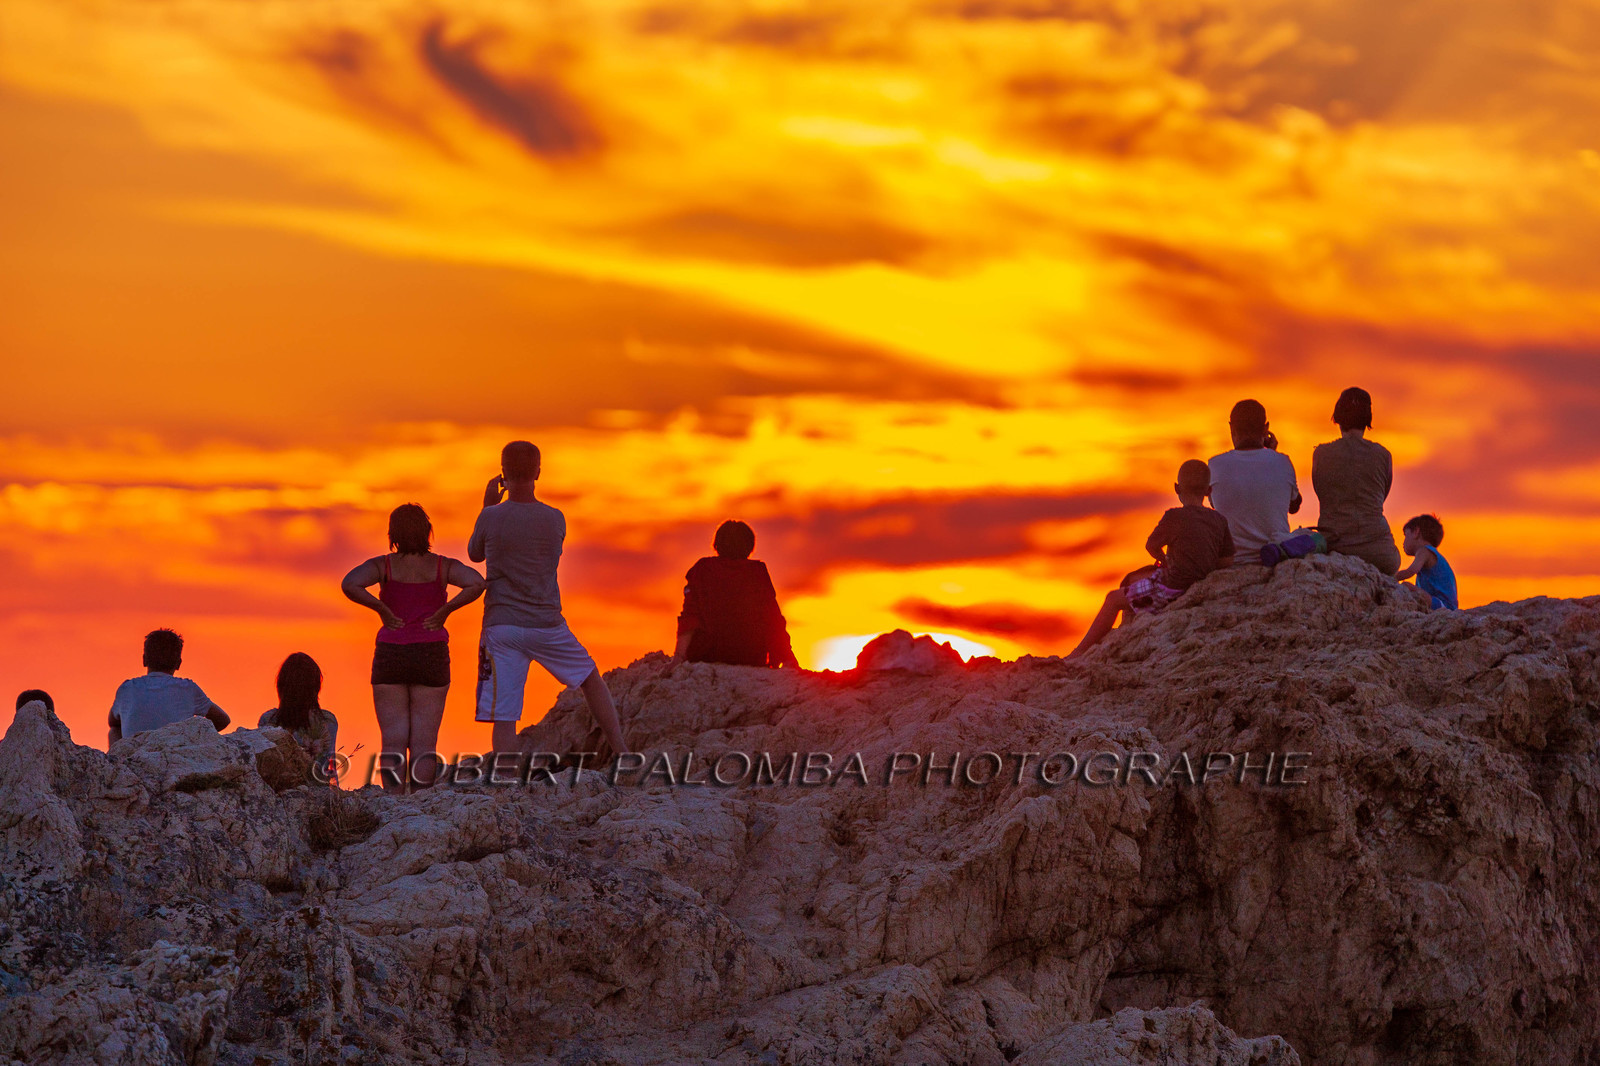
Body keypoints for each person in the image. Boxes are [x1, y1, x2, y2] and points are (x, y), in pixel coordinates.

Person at [470, 441, 627, 760]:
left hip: (502, 625)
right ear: (538, 472)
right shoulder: (555, 519)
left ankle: (505, 783)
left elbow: (475, 553)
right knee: (589, 678)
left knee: (505, 715)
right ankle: (621, 750)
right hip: (547, 623)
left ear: (503, 473)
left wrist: (487, 507)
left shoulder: (491, 517)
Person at [341, 504, 485, 790]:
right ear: (426, 531)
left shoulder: (384, 565)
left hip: (391, 652)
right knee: (424, 741)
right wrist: (445, 611)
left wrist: (381, 608)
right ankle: (421, 805)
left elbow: (350, 583)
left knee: (393, 738)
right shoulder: (442, 566)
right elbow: (477, 583)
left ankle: (393, 806)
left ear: (392, 533)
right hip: (431, 653)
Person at [1067, 460, 1234, 657]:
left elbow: (1151, 546)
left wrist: (1164, 559)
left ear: (1176, 488)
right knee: (1136, 581)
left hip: (1173, 588)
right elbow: (1227, 560)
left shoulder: (1174, 517)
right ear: (1208, 491)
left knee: (1113, 599)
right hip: (1200, 583)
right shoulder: (1219, 520)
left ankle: (1078, 653)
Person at [674, 520, 800, 668]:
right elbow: (773, 618)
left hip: (707, 654)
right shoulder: (758, 572)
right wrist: (787, 659)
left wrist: (678, 657)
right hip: (749, 656)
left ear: (717, 545)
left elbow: (690, 616)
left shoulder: (702, 569)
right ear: (749, 546)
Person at [1311, 387, 1401, 576]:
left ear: (1337, 417)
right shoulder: (1384, 455)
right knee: (1393, 561)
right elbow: (1381, 497)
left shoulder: (1321, 454)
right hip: (1379, 554)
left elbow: (1321, 492)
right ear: (1368, 419)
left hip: (1335, 548)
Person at [1208, 400, 1302, 564]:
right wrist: (1272, 454)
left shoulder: (1214, 465)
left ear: (1231, 428)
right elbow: (1294, 507)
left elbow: (1217, 505)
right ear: (1266, 428)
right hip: (1275, 557)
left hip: (1233, 562)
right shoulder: (1283, 462)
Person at [108, 629, 230, 744]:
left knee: (114, 731)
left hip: (133, 756)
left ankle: (116, 762)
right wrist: (196, 737)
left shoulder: (127, 688)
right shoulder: (187, 688)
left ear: (144, 660)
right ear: (178, 664)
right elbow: (223, 720)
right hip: (174, 752)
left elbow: (112, 722)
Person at [257, 653, 340, 769]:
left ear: (281, 686)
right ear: (315, 687)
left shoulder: (269, 720)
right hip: (318, 785)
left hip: (279, 786)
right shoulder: (328, 721)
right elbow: (329, 769)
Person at [1397, 514, 1458, 610]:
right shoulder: (1431, 553)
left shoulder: (1424, 551)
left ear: (1416, 532)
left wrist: (1390, 577)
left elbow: (1410, 571)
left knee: (1407, 587)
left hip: (1443, 605)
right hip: (1446, 606)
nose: (1403, 542)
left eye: (1405, 535)